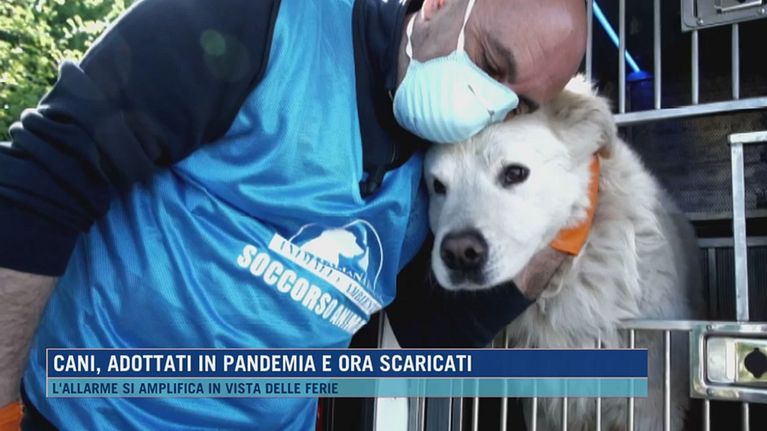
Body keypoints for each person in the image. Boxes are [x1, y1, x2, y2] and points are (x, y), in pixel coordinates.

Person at [0, 0, 587, 429]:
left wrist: (568, 228)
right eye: (490, 61)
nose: (491, 103)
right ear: (437, 7)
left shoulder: (440, 176)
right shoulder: (261, 22)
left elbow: (427, 331)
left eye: (518, 104)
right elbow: (43, 180)